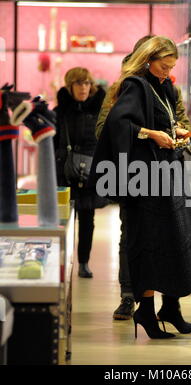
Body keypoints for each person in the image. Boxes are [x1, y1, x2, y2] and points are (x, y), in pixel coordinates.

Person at [89, 36, 191, 339]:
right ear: (149, 59)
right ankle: (147, 313)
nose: (168, 72)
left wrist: (174, 130)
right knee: (150, 244)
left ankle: (169, 309)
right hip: (146, 183)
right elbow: (117, 125)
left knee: (172, 240)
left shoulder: (163, 87)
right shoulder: (134, 86)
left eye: (171, 67)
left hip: (163, 177)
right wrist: (153, 134)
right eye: (164, 66)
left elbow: (167, 116)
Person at [54, 67, 106, 278]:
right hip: (64, 172)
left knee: (87, 220)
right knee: (63, 220)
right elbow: (52, 142)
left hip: (90, 173)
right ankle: (60, 263)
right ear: (70, 86)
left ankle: (83, 262)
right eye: (78, 83)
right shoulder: (60, 112)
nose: (83, 88)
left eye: (86, 83)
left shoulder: (99, 111)